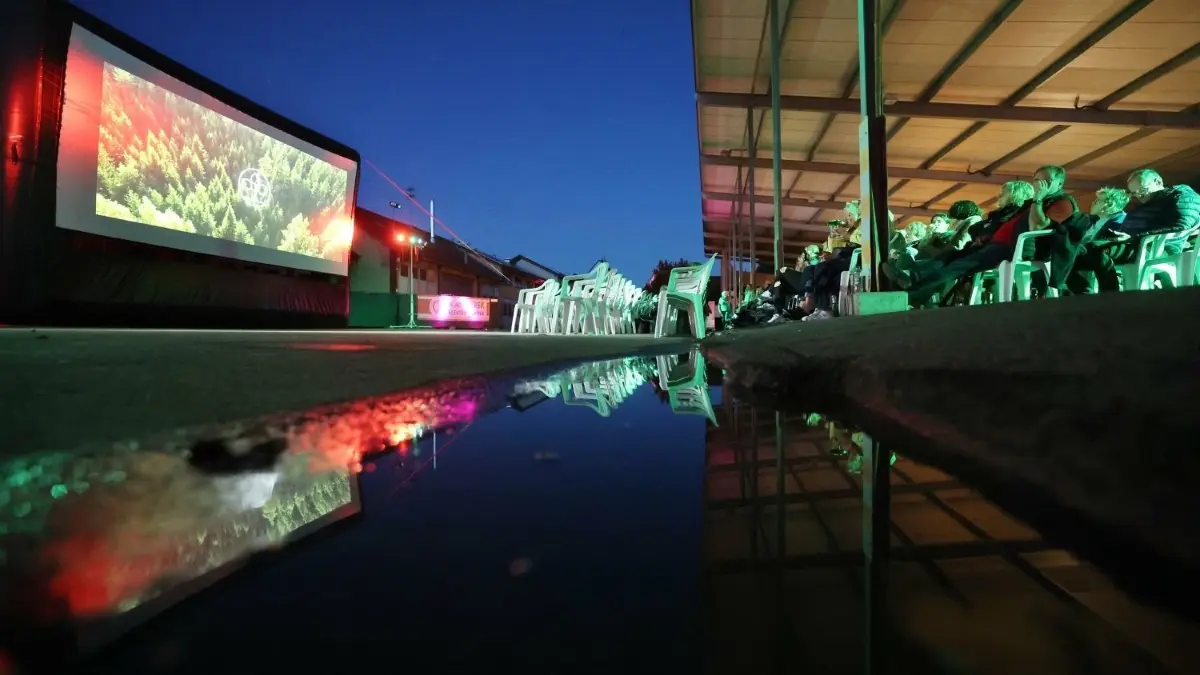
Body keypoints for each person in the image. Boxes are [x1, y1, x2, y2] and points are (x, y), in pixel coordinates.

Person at [887, 181, 1035, 306]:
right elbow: (979, 229)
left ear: (1016, 194)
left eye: (1004, 192)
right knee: (949, 257)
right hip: (986, 247)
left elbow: (987, 230)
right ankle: (913, 278)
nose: (999, 196)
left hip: (998, 250)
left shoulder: (1013, 213)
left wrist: (984, 234)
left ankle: (912, 288)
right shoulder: (1003, 213)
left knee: (954, 266)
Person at [1069, 170, 1199, 291]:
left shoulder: (1182, 196)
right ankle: (1084, 294)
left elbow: (1182, 226)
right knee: (1070, 254)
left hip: (1154, 248)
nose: (1139, 196)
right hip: (1133, 244)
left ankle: (1109, 295)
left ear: (1158, 182)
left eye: (1142, 190)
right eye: (1135, 193)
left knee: (1094, 250)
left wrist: (1133, 237)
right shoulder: (1152, 201)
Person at [1063, 187, 1130, 295]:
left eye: (1098, 200)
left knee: (1088, 251)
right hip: (1086, 253)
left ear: (1109, 204)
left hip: (1104, 253)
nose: (1093, 202)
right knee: (1059, 258)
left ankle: (1108, 295)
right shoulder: (1093, 220)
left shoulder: (1121, 220)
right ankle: (1085, 293)